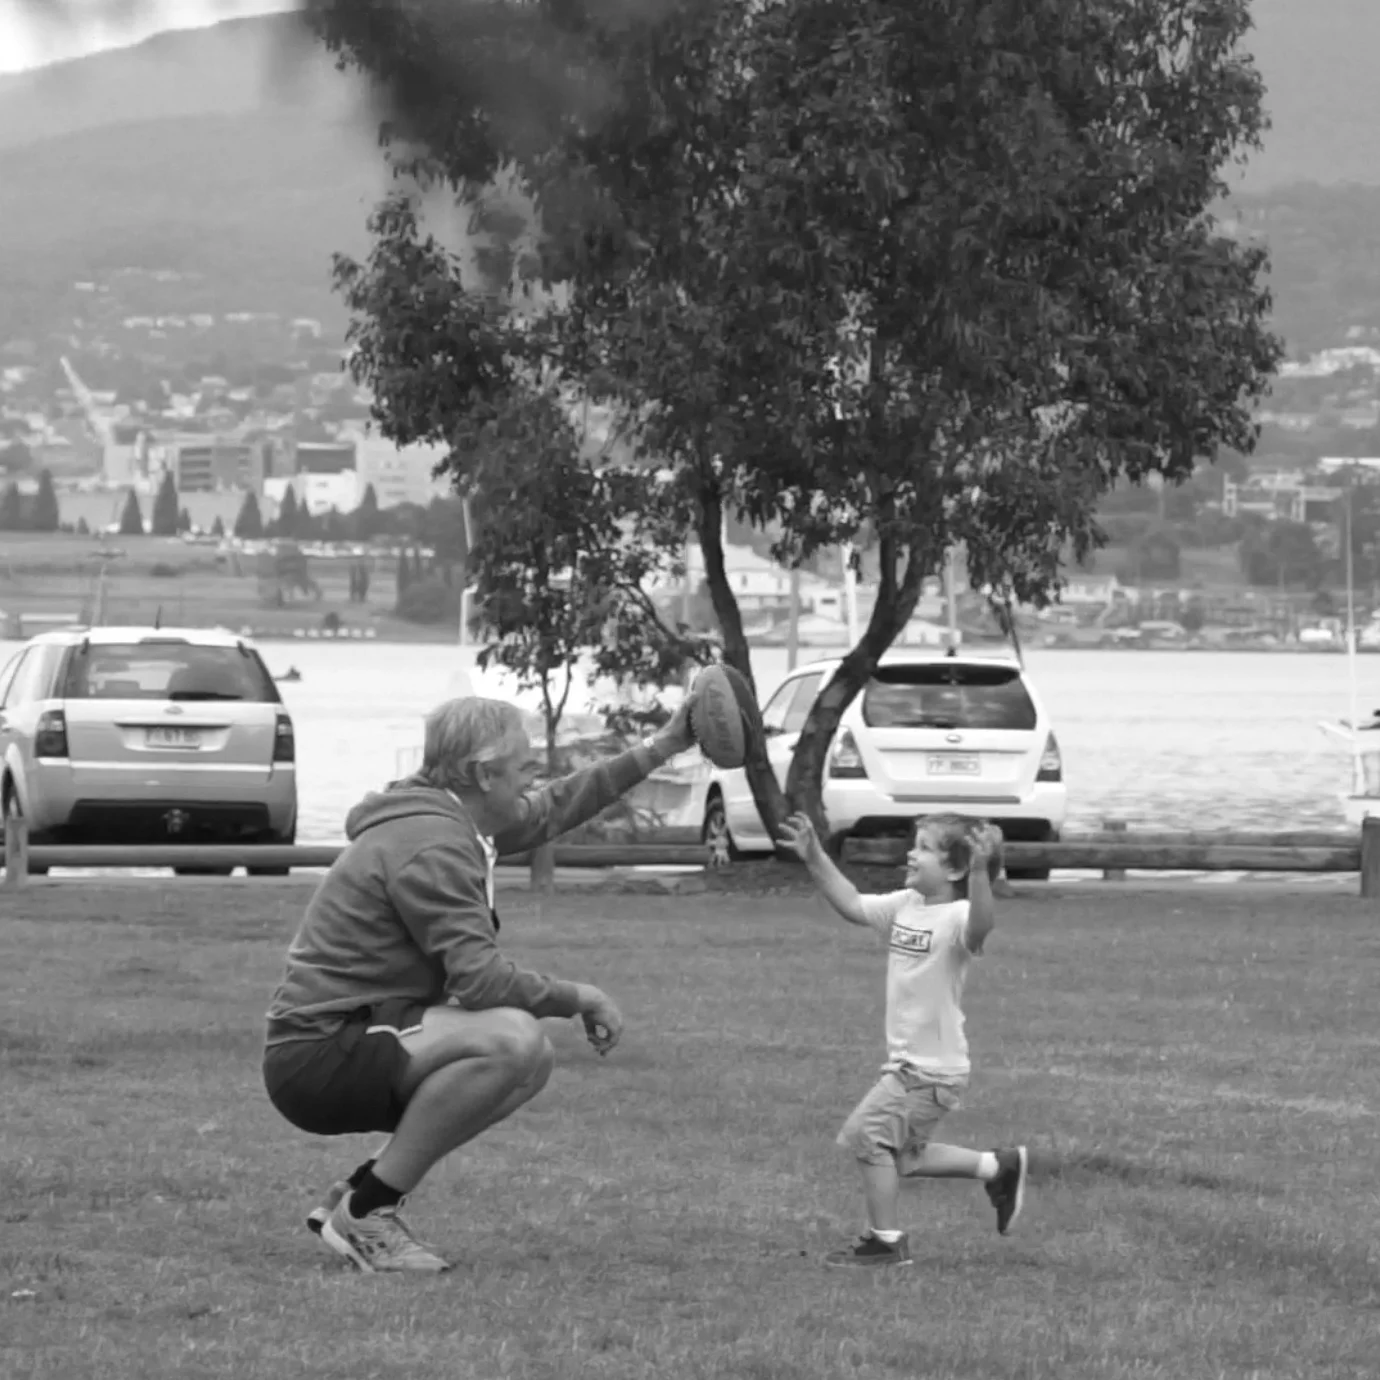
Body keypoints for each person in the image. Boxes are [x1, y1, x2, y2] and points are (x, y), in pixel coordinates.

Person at [263, 694, 694, 1273]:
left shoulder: (446, 815)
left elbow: (553, 809)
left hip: (354, 1036)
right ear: (482, 773)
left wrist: (661, 746)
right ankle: (368, 1218)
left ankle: (359, 1196)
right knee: (511, 1039)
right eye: (522, 767)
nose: (534, 776)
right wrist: (579, 996)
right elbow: (482, 982)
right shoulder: (433, 844)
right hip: (317, 1054)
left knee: (531, 1058)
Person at [777, 809, 1028, 1269]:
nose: (911, 854)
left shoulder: (958, 916)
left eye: (925, 848)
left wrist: (978, 873)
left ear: (953, 869)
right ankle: (998, 1167)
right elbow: (852, 904)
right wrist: (813, 855)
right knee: (903, 1158)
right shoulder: (906, 905)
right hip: (914, 1066)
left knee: (867, 1137)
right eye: (915, 844)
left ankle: (886, 1243)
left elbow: (982, 927)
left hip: (928, 1070)